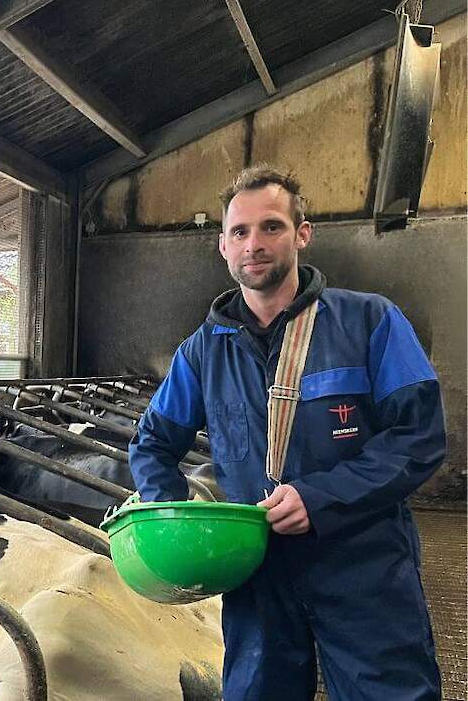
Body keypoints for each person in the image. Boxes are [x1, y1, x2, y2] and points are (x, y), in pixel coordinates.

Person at [128, 164, 445, 700]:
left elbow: (419, 437)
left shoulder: (370, 322)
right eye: (240, 232)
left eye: (271, 226)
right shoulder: (203, 352)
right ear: (224, 248)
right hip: (256, 573)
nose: (255, 243)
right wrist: (176, 525)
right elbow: (153, 443)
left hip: (362, 563)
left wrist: (321, 498)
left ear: (302, 234)